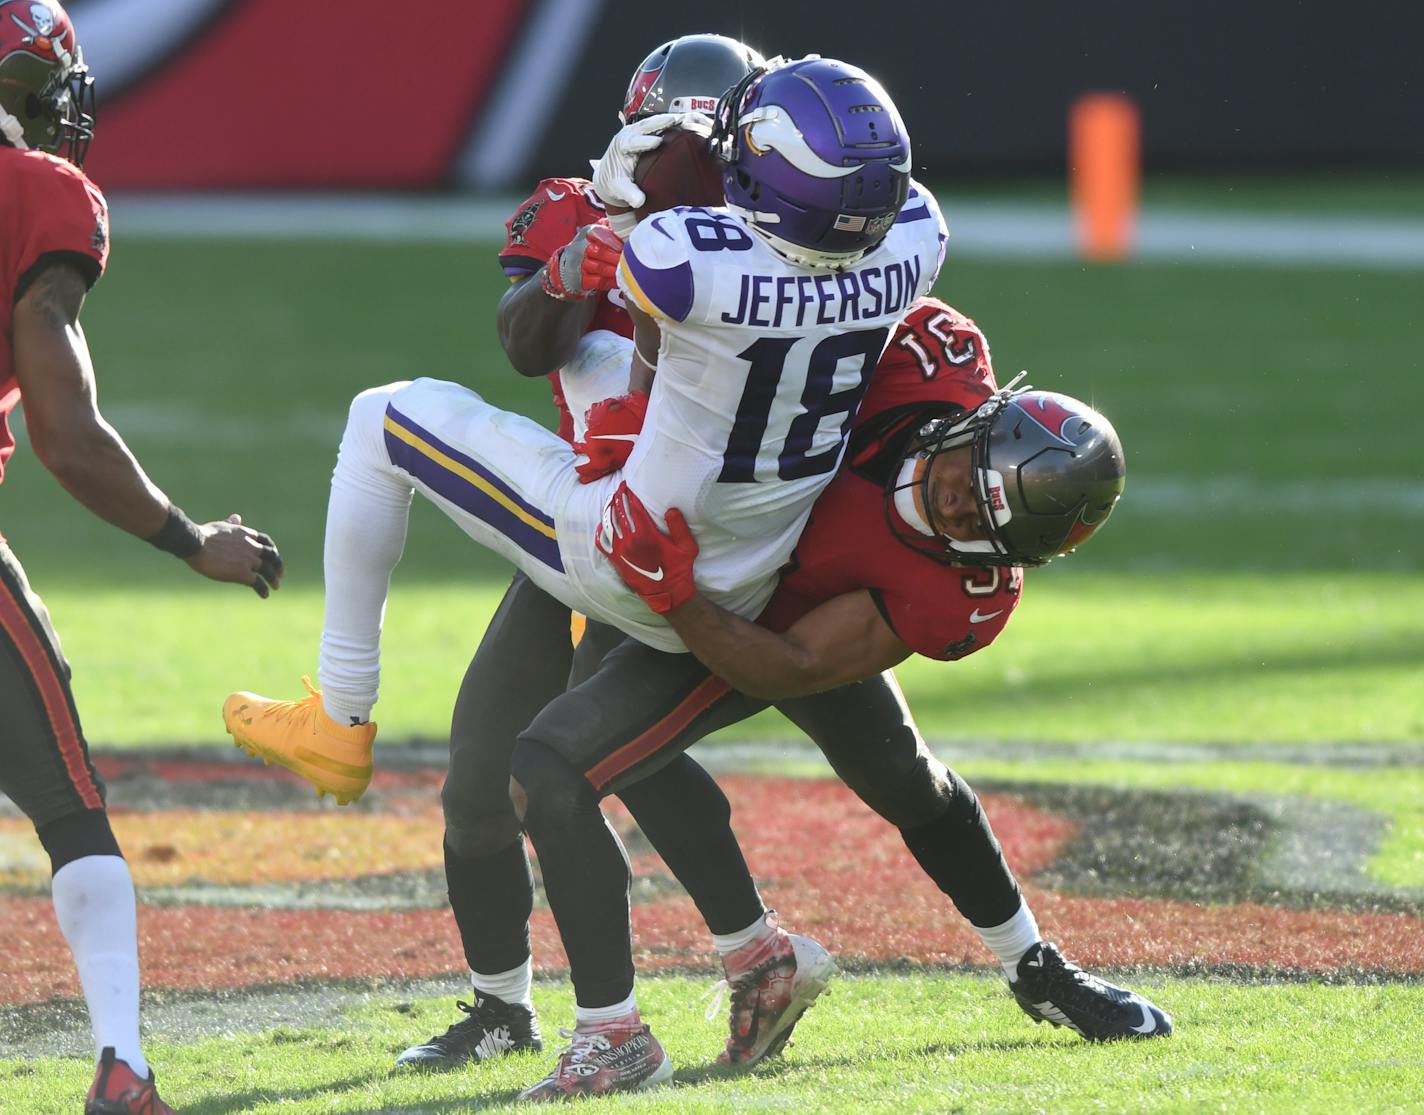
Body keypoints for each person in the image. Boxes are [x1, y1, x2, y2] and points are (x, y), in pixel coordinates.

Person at [0, 5, 285, 1113]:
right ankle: (124, 1062)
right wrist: (187, 536)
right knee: (67, 801)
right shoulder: (41, 192)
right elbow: (67, 434)